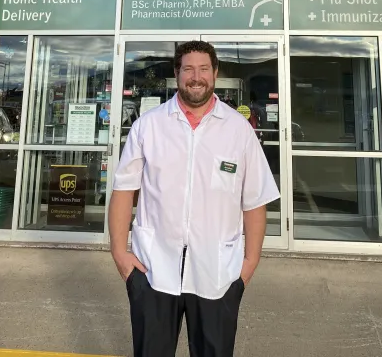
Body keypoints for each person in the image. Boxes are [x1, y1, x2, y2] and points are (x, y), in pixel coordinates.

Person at [109, 40, 280, 357]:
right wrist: (120, 253)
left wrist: (248, 266)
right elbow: (123, 191)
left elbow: (255, 201)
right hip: (153, 270)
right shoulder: (149, 126)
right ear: (177, 73)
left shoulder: (238, 130)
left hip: (218, 273)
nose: (196, 76)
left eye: (203, 69)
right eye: (188, 69)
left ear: (214, 73)